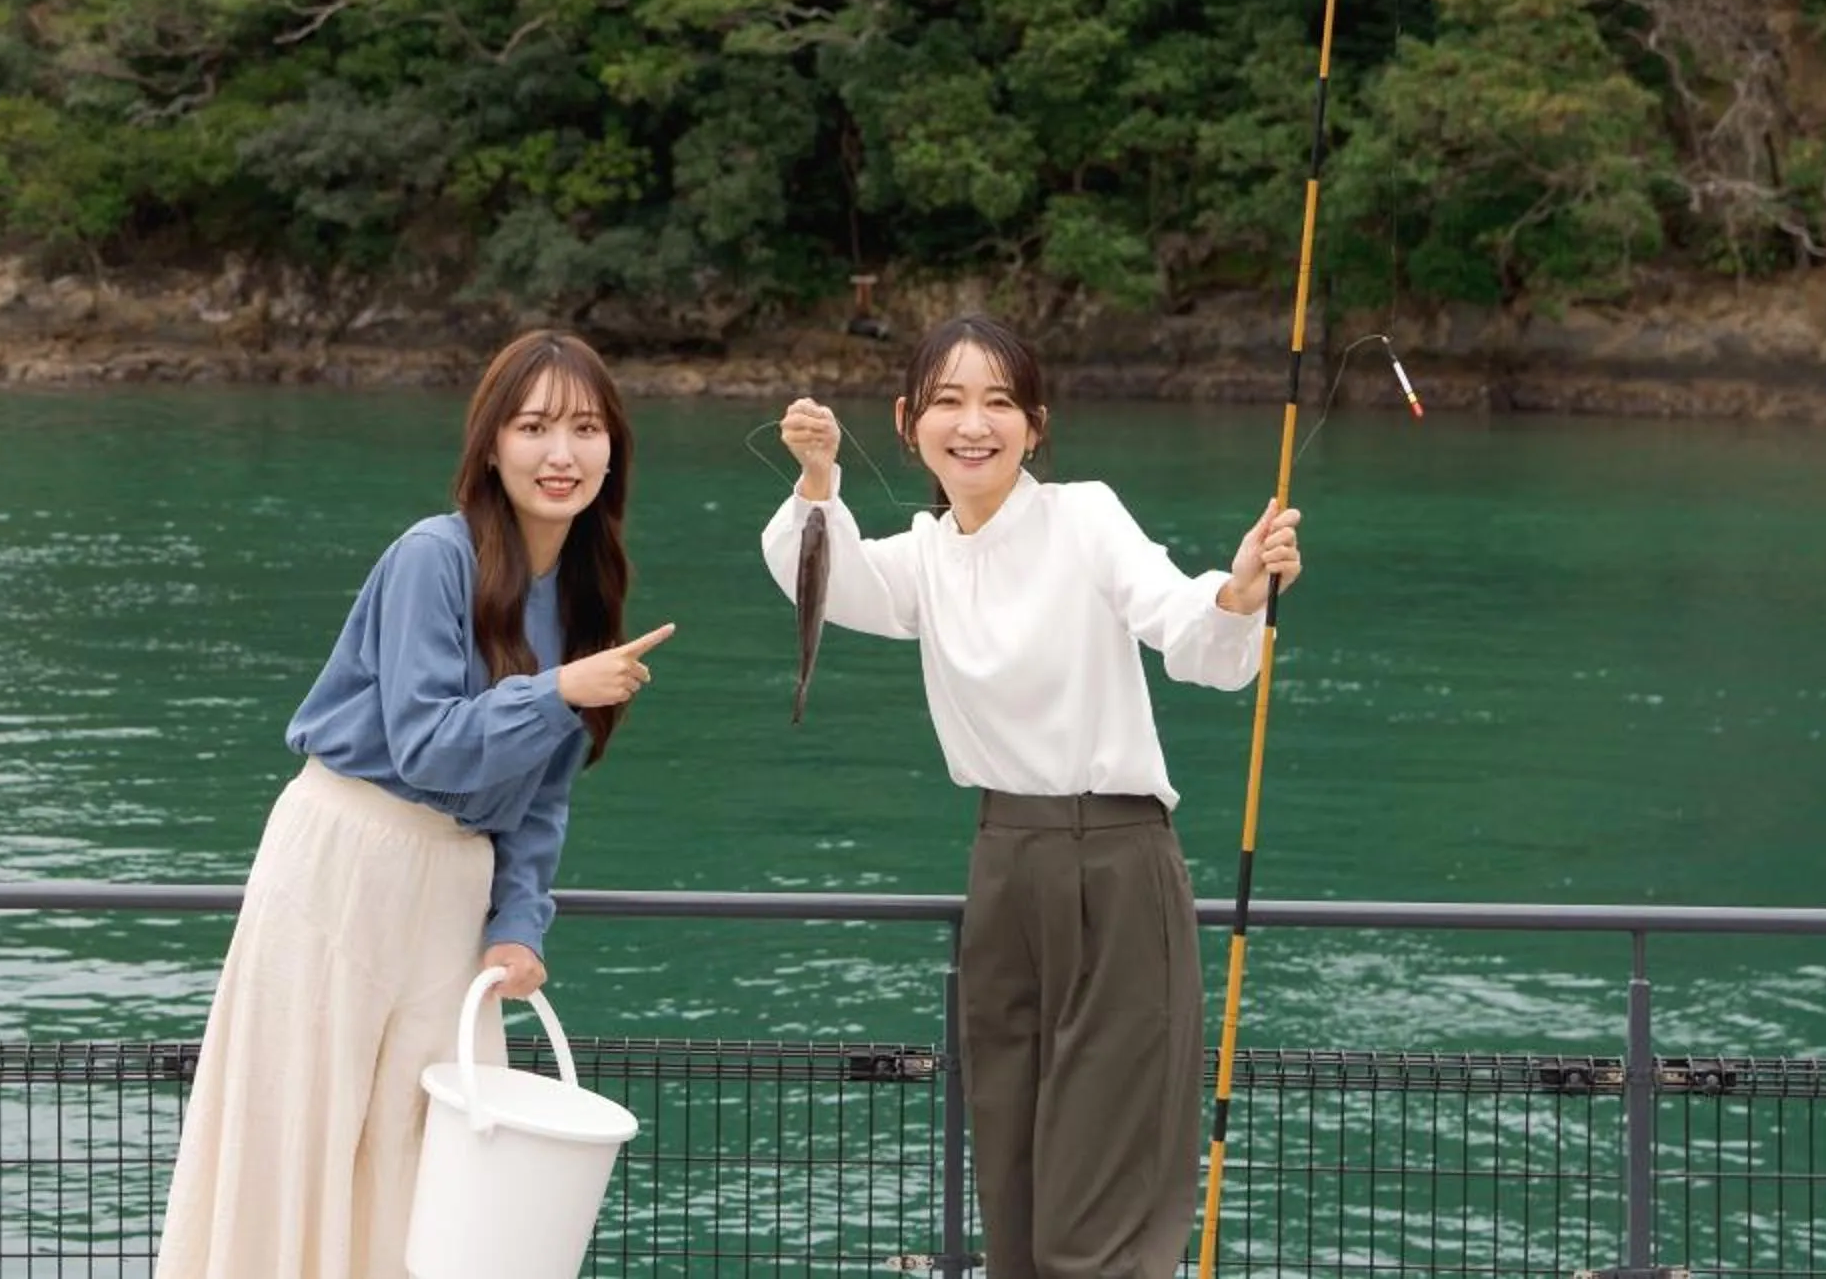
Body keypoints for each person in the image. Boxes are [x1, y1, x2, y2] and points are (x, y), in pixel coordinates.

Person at [762, 313, 1301, 1279]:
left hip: (1118, 857)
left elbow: (1178, 618)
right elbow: (825, 578)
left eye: (999, 402)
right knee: (1009, 1188)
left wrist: (1239, 590)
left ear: (1035, 423)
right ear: (908, 421)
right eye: (949, 402)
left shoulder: (1084, 516)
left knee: (1092, 1210)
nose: (975, 424)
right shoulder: (925, 556)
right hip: (1002, 864)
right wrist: (816, 478)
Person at [158, 329, 675, 1279]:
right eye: (534, 427)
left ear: (614, 450)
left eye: (585, 429)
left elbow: (542, 798)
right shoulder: (433, 558)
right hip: (344, 856)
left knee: (424, 1146)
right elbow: (425, 740)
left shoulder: (589, 594)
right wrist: (559, 690)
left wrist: (520, 923)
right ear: (490, 445)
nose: (561, 454)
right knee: (298, 1127)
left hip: (454, 888)